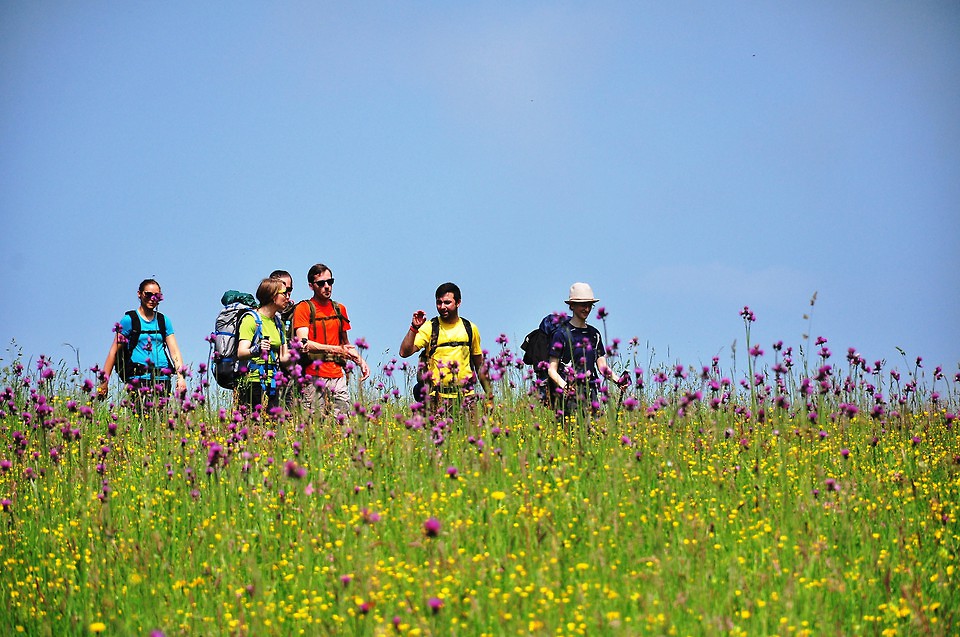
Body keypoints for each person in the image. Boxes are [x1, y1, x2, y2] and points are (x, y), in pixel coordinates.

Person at [292, 263, 370, 417]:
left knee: (342, 422)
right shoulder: (303, 308)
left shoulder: (340, 309)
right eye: (321, 283)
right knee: (314, 423)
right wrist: (334, 349)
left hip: (338, 376)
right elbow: (303, 343)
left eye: (330, 282)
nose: (327, 286)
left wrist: (361, 362)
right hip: (312, 376)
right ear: (311, 286)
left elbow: (345, 343)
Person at [399, 282, 492, 405]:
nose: (442, 307)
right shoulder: (430, 327)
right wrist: (414, 328)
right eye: (439, 302)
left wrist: (490, 396)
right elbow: (404, 352)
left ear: (458, 303)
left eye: (447, 302)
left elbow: (479, 365)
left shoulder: (470, 328)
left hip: (466, 398)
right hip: (436, 398)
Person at [98, 278, 187, 402]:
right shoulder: (129, 320)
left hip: (162, 378)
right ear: (139, 294)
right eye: (148, 294)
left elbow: (175, 352)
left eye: (156, 295)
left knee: (160, 414)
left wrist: (181, 378)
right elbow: (113, 352)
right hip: (138, 378)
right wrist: (104, 383)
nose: (152, 298)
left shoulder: (163, 321)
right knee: (141, 412)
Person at [546, 282, 625, 418]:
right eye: (583, 305)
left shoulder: (594, 334)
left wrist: (619, 381)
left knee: (592, 429)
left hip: (590, 393)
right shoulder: (561, 334)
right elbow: (551, 369)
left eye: (589, 305)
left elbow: (602, 367)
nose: (587, 309)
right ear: (572, 306)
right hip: (568, 395)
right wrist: (565, 387)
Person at [236, 277, 291, 411]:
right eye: (284, 293)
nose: (288, 297)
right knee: (253, 421)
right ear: (273, 296)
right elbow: (241, 352)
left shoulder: (279, 324)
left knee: (272, 422)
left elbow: (284, 358)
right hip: (253, 382)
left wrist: (297, 351)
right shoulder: (251, 320)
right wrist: (257, 349)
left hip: (273, 383)